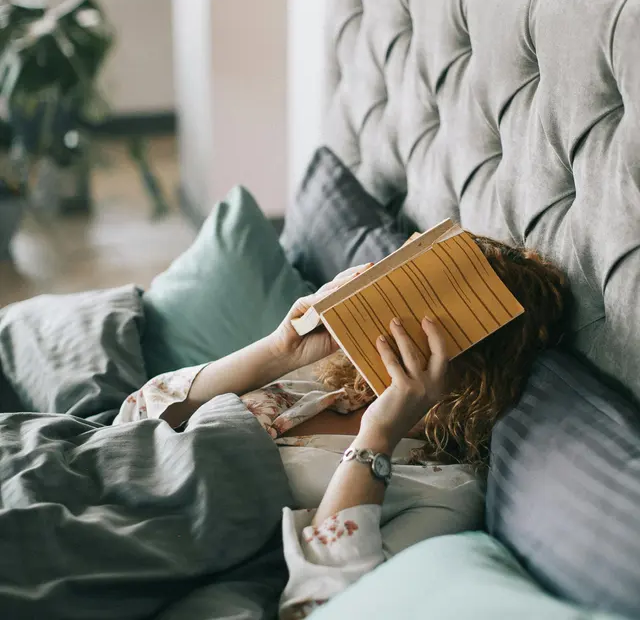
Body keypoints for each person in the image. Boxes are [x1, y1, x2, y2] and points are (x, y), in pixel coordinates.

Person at [115, 235, 570, 619]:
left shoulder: (446, 493)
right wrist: (277, 352)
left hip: (139, 537)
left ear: (478, 367)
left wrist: (379, 434)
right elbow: (139, 412)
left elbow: (320, 602)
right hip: (98, 467)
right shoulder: (330, 380)